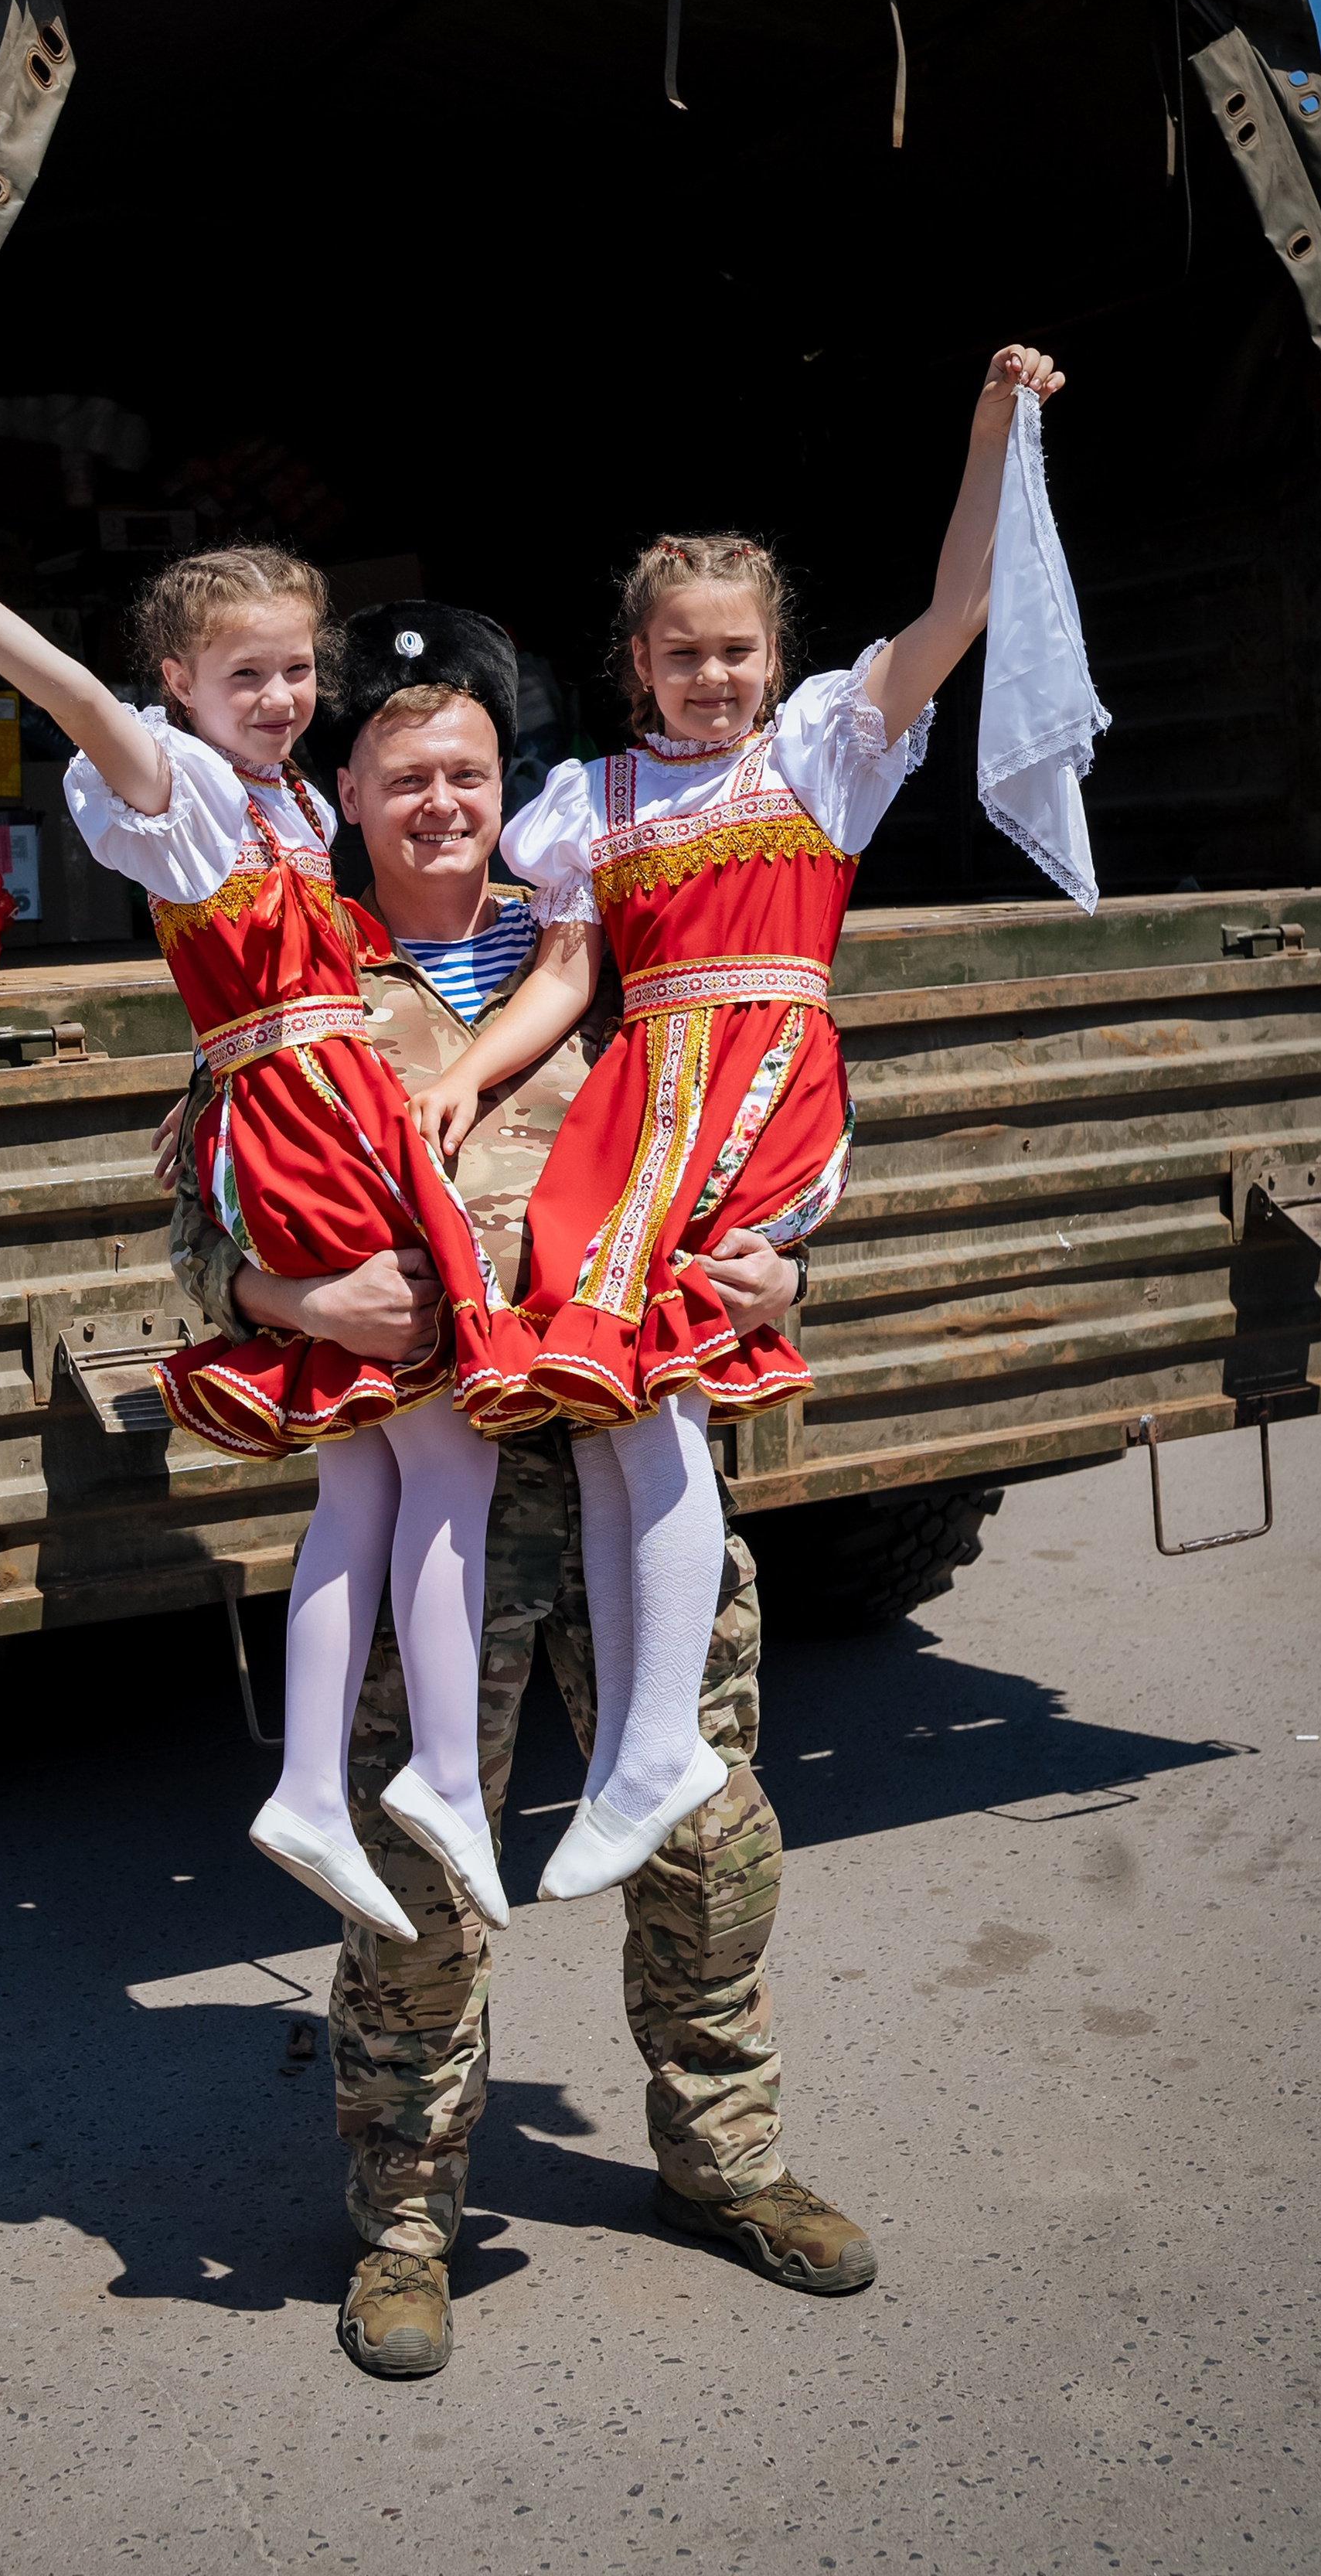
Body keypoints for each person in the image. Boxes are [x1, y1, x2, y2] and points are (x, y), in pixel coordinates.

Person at [167, 601, 876, 2381]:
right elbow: (205, 1205)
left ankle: (726, 2160)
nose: (438, 805)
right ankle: (406, 2221)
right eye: (403, 777)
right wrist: (286, 1298)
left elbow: (758, 1115)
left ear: (507, 788)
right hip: (438, 1504)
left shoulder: (610, 939)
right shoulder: (297, 962)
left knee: (706, 1832)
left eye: (465, 773)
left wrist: (791, 1270)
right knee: (418, 1873)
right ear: (348, 793)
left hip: (632, 1463)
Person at [0, 517, 546, 1952]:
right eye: (241, 676)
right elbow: (73, 700)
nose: (275, 698)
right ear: (179, 686)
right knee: (449, 1448)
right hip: (315, 1114)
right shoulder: (185, 786)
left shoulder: (283, 808)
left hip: (303, 1097)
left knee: (361, 1488)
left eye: (290, 672)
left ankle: (322, 1791)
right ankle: (441, 1780)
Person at [412, 345, 1065, 1907]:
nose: (713, 677)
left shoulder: (824, 753)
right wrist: (466, 1071)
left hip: (762, 1077)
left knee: (666, 1404)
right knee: (618, 1408)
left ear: (773, 657)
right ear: (636, 660)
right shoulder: (591, 800)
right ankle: (646, 1748)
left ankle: (652, 1750)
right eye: (682, 654)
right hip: (639, 1097)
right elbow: (568, 978)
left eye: (736, 652)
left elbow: (954, 611)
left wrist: (985, 427)